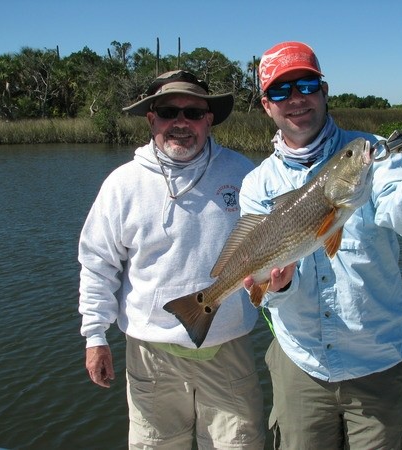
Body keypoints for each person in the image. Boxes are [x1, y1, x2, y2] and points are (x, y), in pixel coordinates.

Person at [240, 41, 402, 449]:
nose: (295, 99)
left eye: (306, 85)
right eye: (280, 91)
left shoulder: (370, 152)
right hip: (301, 364)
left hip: (377, 364)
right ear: (266, 105)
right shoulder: (257, 185)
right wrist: (277, 288)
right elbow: (267, 296)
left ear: (324, 90)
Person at [78, 70, 265, 449]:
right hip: (151, 355)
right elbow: (98, 263)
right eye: (168, 111)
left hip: (228, 349)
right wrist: (95, 335)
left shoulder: (244, 172)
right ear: (151, 118)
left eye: (194, 113)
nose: (181, 122)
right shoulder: (122, 184)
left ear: (209, 119)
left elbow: (270, 242)